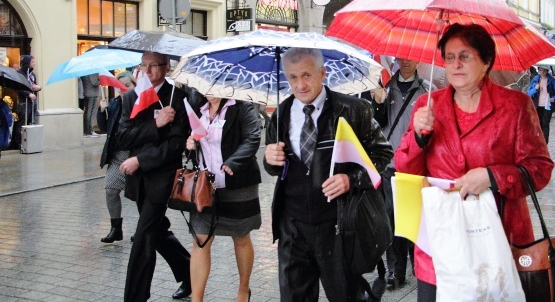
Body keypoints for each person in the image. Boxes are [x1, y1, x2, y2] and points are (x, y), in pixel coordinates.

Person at [394, 24, 555, 301]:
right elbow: (405, 169)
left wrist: (492, 176)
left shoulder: (515, 106)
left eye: (465, 56)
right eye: (449, 57)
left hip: (498, 239)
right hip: (441, 240)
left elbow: (540, 169)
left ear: (486, 62)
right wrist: (418, 138)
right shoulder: (427, 105)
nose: (455, 64)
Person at [264, 47, 392, 302]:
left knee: (345, 296)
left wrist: (351, 179)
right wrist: (270, 160)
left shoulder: (354, 110)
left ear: (322, 73)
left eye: (307, 75)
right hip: (293, 228)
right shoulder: (281, 114)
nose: (300, 85)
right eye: (292, 77)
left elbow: (382, 154)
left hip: (338, 227)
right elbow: (276, 167)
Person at [117, 51, 192, 301]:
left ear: (166, 67)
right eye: (144, 65)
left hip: (162, 177)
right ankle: (189, 271)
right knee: (157, 231)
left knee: (144, 235)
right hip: (138, 179)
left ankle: (135, 296)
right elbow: (123, 137)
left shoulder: (177, 98)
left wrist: (140, 159)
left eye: (154, 66)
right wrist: (155, 125)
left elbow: (175, 145)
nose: (147, 71)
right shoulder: (132, 97)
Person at [185, 96, 262, 302]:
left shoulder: (242, 107)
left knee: (241, 237)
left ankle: (243, 290)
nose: (210, 91)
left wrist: (233, 162)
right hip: (204, 186)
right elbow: (188, 138)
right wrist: (189, 143)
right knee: (200, 240)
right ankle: (196, 299)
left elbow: (253, 137)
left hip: (237, 182)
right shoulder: (196, 107)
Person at [371, 57, 431, 290]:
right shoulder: (384, 88)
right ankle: (396, 271)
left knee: (415, 219)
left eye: (410, 57)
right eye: (400, 58)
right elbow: (375, 125)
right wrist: (378, 103)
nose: (405, 62)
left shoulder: (427, 91)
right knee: (391, 219)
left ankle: (418, 261)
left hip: (416, 167)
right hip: (390, 164)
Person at [98, 71, 137, 244]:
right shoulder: (114, 103)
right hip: (117, 155)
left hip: (135, 155)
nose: (123, 90)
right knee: (111, 190)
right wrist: (101, 111)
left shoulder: (141, 103)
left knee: (139, 194)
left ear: (134, 85)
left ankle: (143, 229)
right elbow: (105, 127)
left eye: (127, 86)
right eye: (120, 87)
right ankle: (116, 229)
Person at [12, 55, 41, 149]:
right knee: (22, 122)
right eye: (32, 61)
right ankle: (19, 142)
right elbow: (17, 88)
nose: (34, 63)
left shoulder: (32, 74)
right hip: (24, 101)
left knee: (31, 121)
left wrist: (37, 87)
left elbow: (32, 85)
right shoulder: (19, 74)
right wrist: (28, 94)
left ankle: (30, 142)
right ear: (27, 62)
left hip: (32, 102)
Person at [527, 65, 555, 143]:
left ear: (547, 70)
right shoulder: (535, 80)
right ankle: (538, 141)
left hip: (547, 106)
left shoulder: (551, 80)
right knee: (538, 124)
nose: (542, 72)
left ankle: (544, 142)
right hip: (537, 105)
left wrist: (554, 98)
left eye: (544, 70)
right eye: (541, 70)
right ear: (538, 70)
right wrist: (536, 89)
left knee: (545, 124)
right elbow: (529, 93)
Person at [81, 73, 101, 137]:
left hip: (87, 93)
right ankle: (89, 131)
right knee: (91, 113)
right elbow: (94, 82)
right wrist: (101, 80)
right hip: (92, 94)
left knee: (87, 112)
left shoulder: (85, 71)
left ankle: (87, 131)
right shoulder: (92, 71)